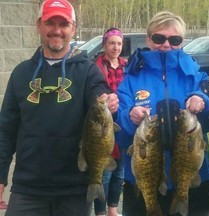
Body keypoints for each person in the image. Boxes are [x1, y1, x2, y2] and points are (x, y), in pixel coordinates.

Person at [0, 0, 119, 215]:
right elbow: (5, 130)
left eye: (63, 24)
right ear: (39, 25)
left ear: (73, 29)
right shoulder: (21, 73)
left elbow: (99, 94)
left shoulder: (88, 71)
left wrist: (108, 100)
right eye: (50, 23)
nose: (56, 31)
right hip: (27, 188)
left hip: (74, 189)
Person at [117, 11, 209, 216]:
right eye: (158, 38)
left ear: (182, 41)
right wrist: (129, 115)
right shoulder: (131, 78)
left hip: (193, 176)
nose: (166, 45)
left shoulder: (193, 72)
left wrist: (202, 99)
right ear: (148, 39)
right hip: (145, 177)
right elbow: (118, 127)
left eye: (174, 39)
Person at [93, 28, 127, 216]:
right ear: (105, 44)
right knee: (104, 170)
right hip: (104, 124)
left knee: (120, 170)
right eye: (112, 43)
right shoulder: (97, 66)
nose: (116, 47)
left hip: (123, 122)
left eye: (119, 43)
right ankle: (100, 211)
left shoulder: (126, 65)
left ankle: (112, 209)